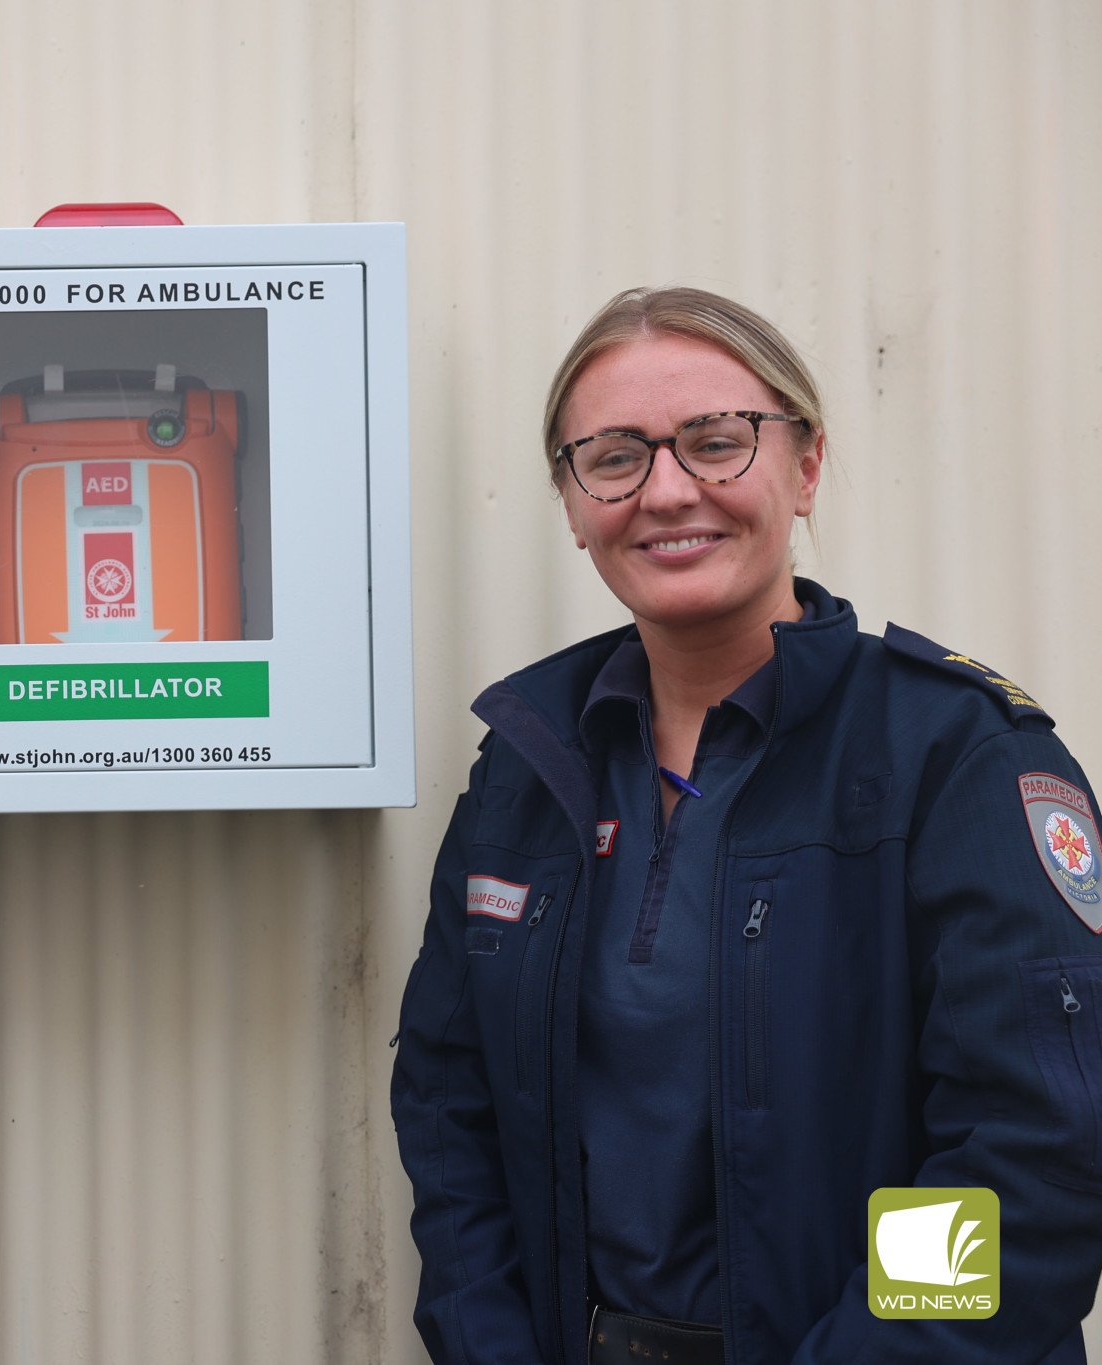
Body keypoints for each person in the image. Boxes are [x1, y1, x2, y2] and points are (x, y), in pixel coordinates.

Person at [391, 288, 1102, 1365]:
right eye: (615, 457)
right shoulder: (528, 769)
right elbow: (451, 1111)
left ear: (804, 466)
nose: (667, 491)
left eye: (716, 443)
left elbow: (1026, 1147)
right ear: (574, 504)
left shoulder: (951, 753)